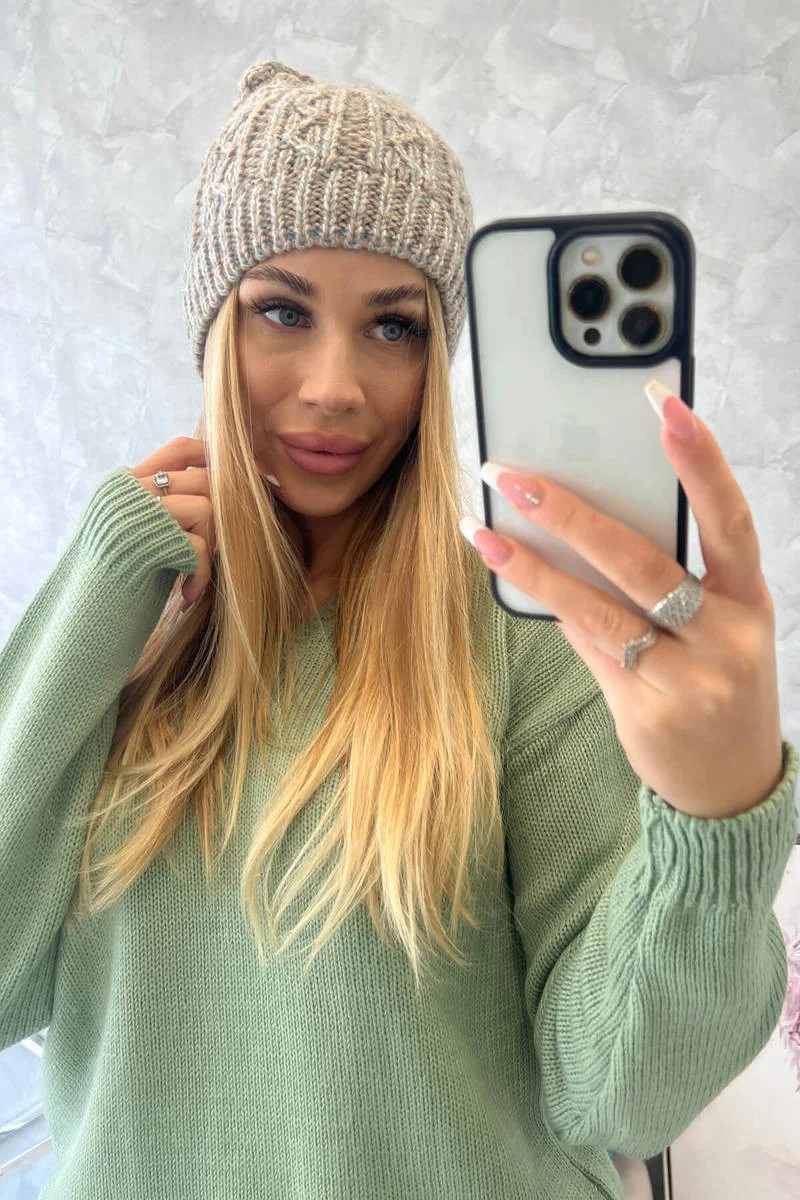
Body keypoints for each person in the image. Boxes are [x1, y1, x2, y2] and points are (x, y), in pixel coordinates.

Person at [0, 60, 796, 1200]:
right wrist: (99, 590)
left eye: (393, 326)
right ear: (213, 327)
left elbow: (619, 1097)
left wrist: (715, 817)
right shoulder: (129, 613)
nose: (337, 386)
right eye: (282, 311)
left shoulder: (519, 638)